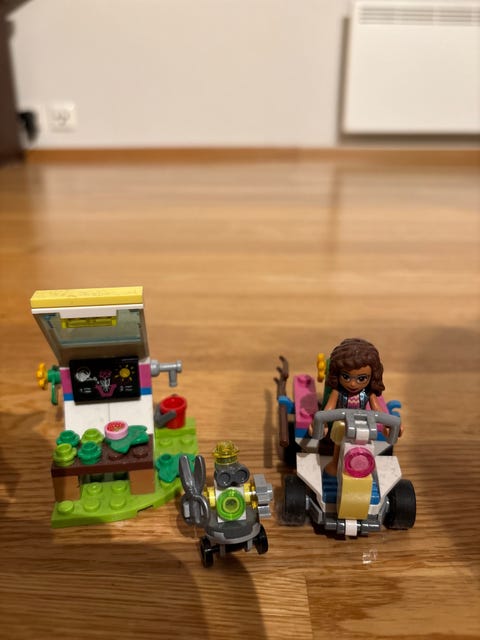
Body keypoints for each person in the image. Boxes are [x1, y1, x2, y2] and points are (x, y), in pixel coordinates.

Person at [313, 338, 388, 476]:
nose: (353, 384)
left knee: (365, 445)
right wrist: (322, 421)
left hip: (362, 425)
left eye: (361, 378)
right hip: (341, 423)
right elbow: (329, 407)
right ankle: (335, 464)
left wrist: (388, 423)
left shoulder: (368, 393)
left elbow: (377, 409)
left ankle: (363, 467)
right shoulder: (338, 391)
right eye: (346, 377)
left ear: (372, 376)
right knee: (338, 443)